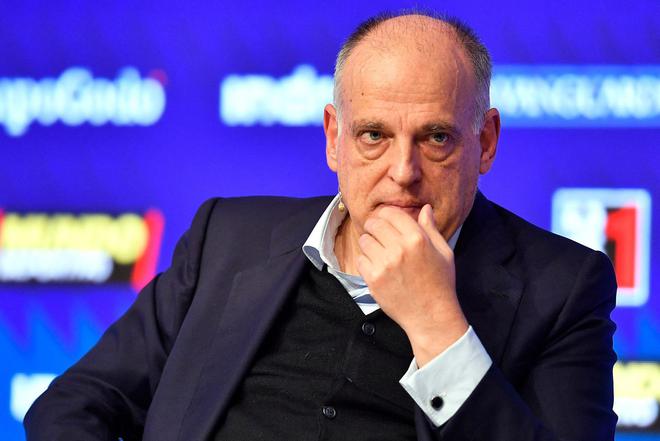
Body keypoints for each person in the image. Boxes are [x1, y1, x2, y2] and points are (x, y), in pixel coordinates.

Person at [24, 11, 618, 441]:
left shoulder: (562, 288)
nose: (403, 172)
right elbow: (73, 405)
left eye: (436, 138)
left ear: (484, 142)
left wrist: (438, 325)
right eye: (373, 135)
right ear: (334, 137)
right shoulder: (227, 238)